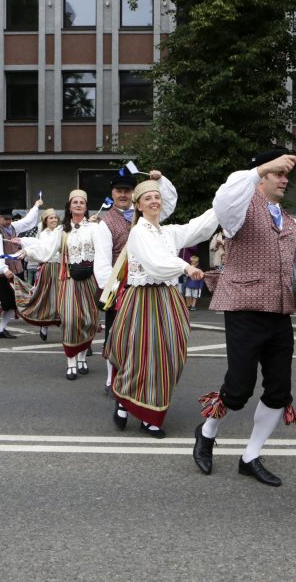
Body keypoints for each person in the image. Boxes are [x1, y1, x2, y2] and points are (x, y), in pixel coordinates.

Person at [193, 150, 296, 487]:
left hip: (278, 311)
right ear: (260, 177)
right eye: (278, 173)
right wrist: (259, 166)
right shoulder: (239, 208)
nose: (284, 178)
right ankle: (207, 431)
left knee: (279, 390)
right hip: (244, 308)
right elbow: (223, 199)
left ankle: (250, 456)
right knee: (238, 389)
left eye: (285, 175)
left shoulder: (289, 222)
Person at [105, 179, 218, 438]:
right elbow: (156, 261)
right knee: (141, 355)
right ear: (139, 205)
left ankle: (141, 405)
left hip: (168, 299)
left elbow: (197, 227)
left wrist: (222, 205)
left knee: (169, 356)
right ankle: (134, 406)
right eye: (148, 198)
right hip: (143, 300)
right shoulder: (138, 232)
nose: (154, 201)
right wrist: (185, 266)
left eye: (157, 197)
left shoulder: (168, 232)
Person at [94, 169, 177, 391]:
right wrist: (110, 292)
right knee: (115, 336)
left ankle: (140, 379)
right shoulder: (105, 223)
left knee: (143, 338)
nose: (123, 194)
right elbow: (102, 262)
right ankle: (112, 380)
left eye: (127, 190)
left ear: (133, 194)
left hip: (147, 286)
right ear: (112, 193)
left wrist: (160, 180)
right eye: (119, 190)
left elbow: (168, 205)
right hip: (120, 288)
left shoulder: (145, 213)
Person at [0, 201, 42, 339]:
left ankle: (0, 330)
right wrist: (4, 269)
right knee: (7, 302)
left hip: (16, 269)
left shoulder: (13, 227)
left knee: (15, 302)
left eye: (10, 219)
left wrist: (36, 206)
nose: (8, 221)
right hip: (1, 272)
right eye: (5, 219)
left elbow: (27, 221)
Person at [57, 189, 99, 378]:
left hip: (90, 279)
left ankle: (82, 357)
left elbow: (104, 252)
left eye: (82, 202)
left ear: (86, 206)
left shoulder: (94, 228)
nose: (79, 205)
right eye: (75, 202)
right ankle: (71, 361)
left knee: (88, 321)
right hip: (69, 279)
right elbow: (47, 248)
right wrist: (25, 247)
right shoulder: (62, 230)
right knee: (70, 320)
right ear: (70, 206)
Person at [14, 208, 64, 341]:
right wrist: (24, 247)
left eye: (55, 217)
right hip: (47, 268)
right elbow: (39, 247)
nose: (53, 219)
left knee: (62, 298)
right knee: (45, 297)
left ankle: (66, 329)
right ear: (45, 221)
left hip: (61, 268)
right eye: (50, 218)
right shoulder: (43, 234)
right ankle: (44, 325)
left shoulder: (62, 231)